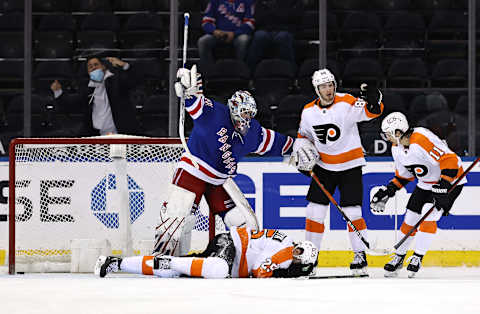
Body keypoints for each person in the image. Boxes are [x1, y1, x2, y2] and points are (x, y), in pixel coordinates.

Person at [153, 65, 294, 256]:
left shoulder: (253, 132)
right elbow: (194, 102)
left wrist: (298, 146)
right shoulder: (214, 113)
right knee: (178, 217)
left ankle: (240, 260)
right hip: (193, 170)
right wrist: (189, 90)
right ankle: (161, 259)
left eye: (250, 115)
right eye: (243, 113)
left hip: (220, 181)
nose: (246, 119)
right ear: (233, 109)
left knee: (242, 221)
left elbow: (275, 141)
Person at [290, 69, 384, 275]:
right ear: (317, 89)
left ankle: (360, 256)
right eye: (324, 86)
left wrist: (374, 99)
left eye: (331, 84)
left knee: (352, 213)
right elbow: (303, 136)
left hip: (350, 166)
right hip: (324, 167)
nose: (329, 89)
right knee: (314, 212)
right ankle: (310, 257)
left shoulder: (347, 102)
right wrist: (301, 151)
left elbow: (372, 112)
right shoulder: (308, 112)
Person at [371, 112, 466, 278]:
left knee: (429, 216)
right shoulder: (396, 148)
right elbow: (404, 176)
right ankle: (399, 257)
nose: (386, 138)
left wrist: (443, 186)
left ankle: (417, 257)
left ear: (398, 133)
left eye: (388, 134)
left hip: (451, 181)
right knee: (409, 219)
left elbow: (450, 160)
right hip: (425, 184)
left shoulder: (421, 139)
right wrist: (389, 190)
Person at [95, 226, 319, 279]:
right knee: (218, 270)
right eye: (298, 250)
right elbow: (260, 271)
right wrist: (282, 272)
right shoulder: (287, 250)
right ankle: (172, 263)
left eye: (299, 254)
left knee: (171, 271)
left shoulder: (287, 252)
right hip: (231, 243)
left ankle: (116, 263)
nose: (295, 253)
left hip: (231, 251)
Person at [51, 56, 139, 136]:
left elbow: (135, 80)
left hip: (121, 134)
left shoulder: (116, 81)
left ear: (103, 67)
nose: (93, 67)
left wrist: (125, 65)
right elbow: (72, 103)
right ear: (88, 72)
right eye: (90, 66)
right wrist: (58, 91)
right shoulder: (88, 88)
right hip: (97, 136)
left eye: (96, 64)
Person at [246, 0, 303, 71]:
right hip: (265, 28)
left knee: (282, 37)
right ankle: (250, 71)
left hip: (286, 29)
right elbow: (258, 18)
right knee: (259, 36)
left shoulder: (294, 2)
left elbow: (294, 17)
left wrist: (273, 13)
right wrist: (279, 13)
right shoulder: (262, 2)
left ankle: (291, 71)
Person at [198, 0, 255, 69]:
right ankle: (209, 73)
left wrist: (235, 33)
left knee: (243, 40)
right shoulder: (214, 1)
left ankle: (240, 71)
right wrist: (214, 31)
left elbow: (250, 23)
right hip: (218, 34)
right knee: (203, 41)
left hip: (238, 34)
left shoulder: (247, 1)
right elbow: (206, 21)